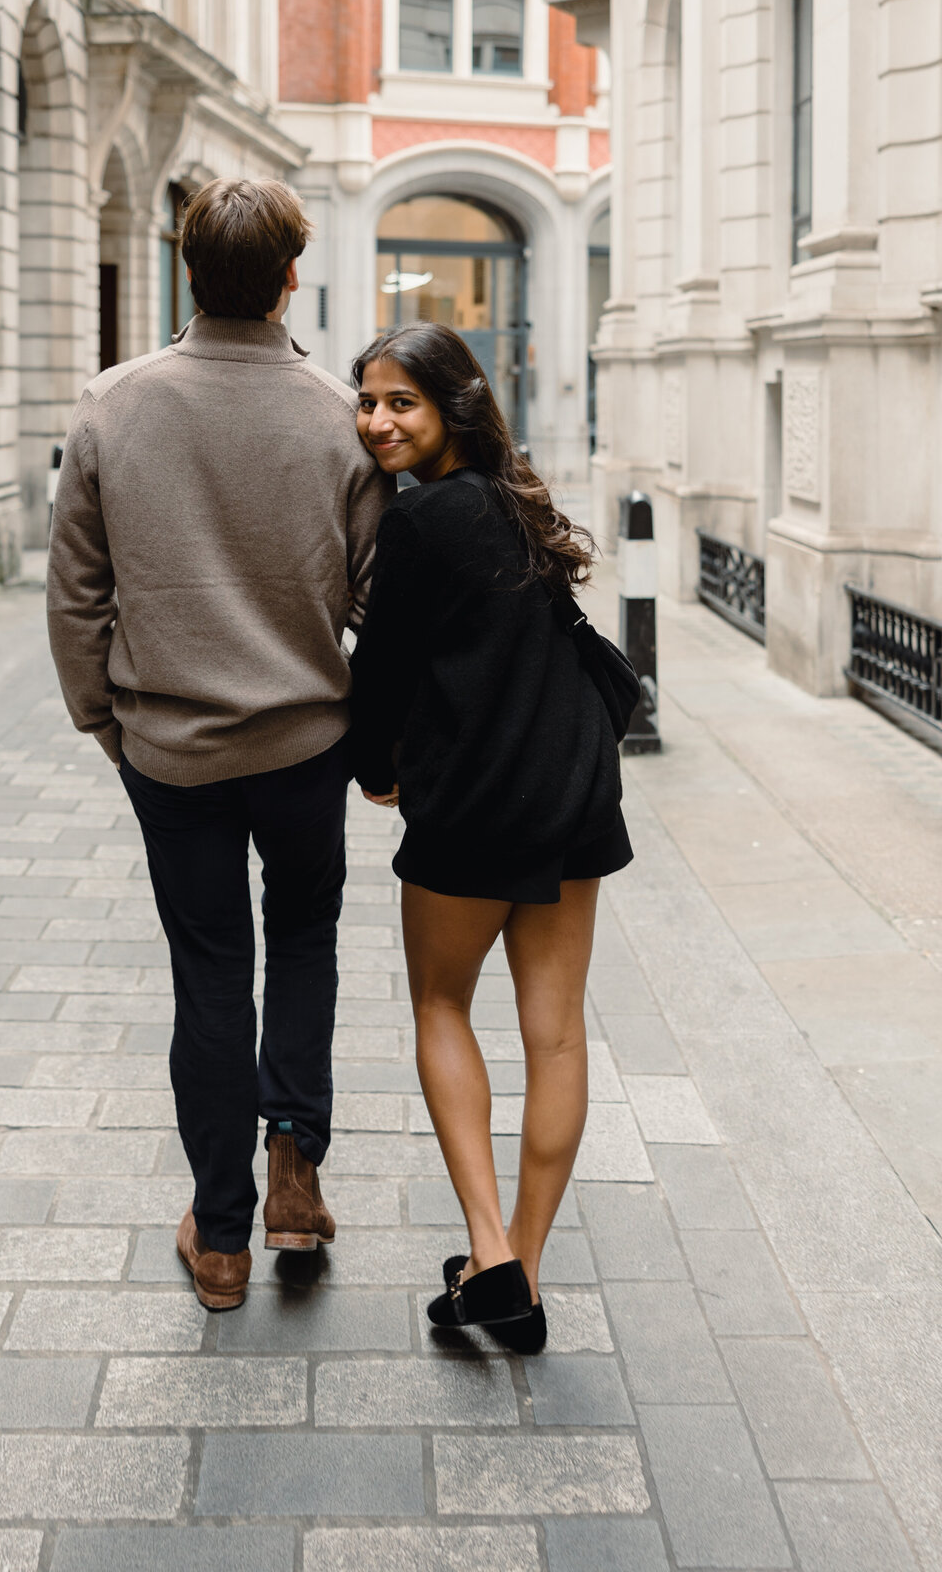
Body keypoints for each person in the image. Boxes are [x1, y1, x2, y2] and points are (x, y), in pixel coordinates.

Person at [47, 179, 390, 1311]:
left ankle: (225, 1237)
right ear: (292, 276)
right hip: (304, 747)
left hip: (171, 752)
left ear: (185, 267)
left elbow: (75, 601)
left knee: (208, 973)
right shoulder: (341, 415)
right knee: (301, 941)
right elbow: (381, 607)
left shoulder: (111, 404)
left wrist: (106, 720)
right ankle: (294, 1159)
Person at [347, 321, 632, 1351]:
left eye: (400, 403)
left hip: (474, 802)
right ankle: (520, 1266)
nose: (378, 421)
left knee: (439, 1003)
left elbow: (378, 676)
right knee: (555, 1035)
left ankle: (492, 1251)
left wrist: (376, 771)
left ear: (452, 406)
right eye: (368, 401)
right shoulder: (519, 499)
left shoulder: (423, 521)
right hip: (572, 796)